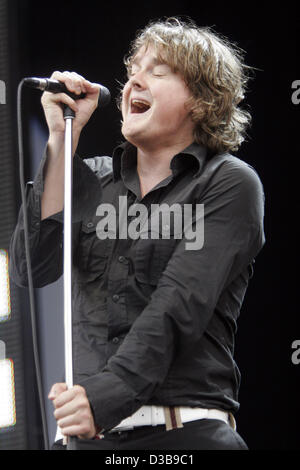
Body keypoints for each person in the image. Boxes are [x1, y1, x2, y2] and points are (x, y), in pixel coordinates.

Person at [9, 17, 265, 450]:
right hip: (87, 438)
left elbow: (178, 305)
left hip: (185, 433)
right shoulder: (88, 179)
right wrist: (59, 139)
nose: (133, 84)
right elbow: (30, 268)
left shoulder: (229, 183)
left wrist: (104, 398)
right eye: (132, 73)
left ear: (201, 100)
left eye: (157, 73)